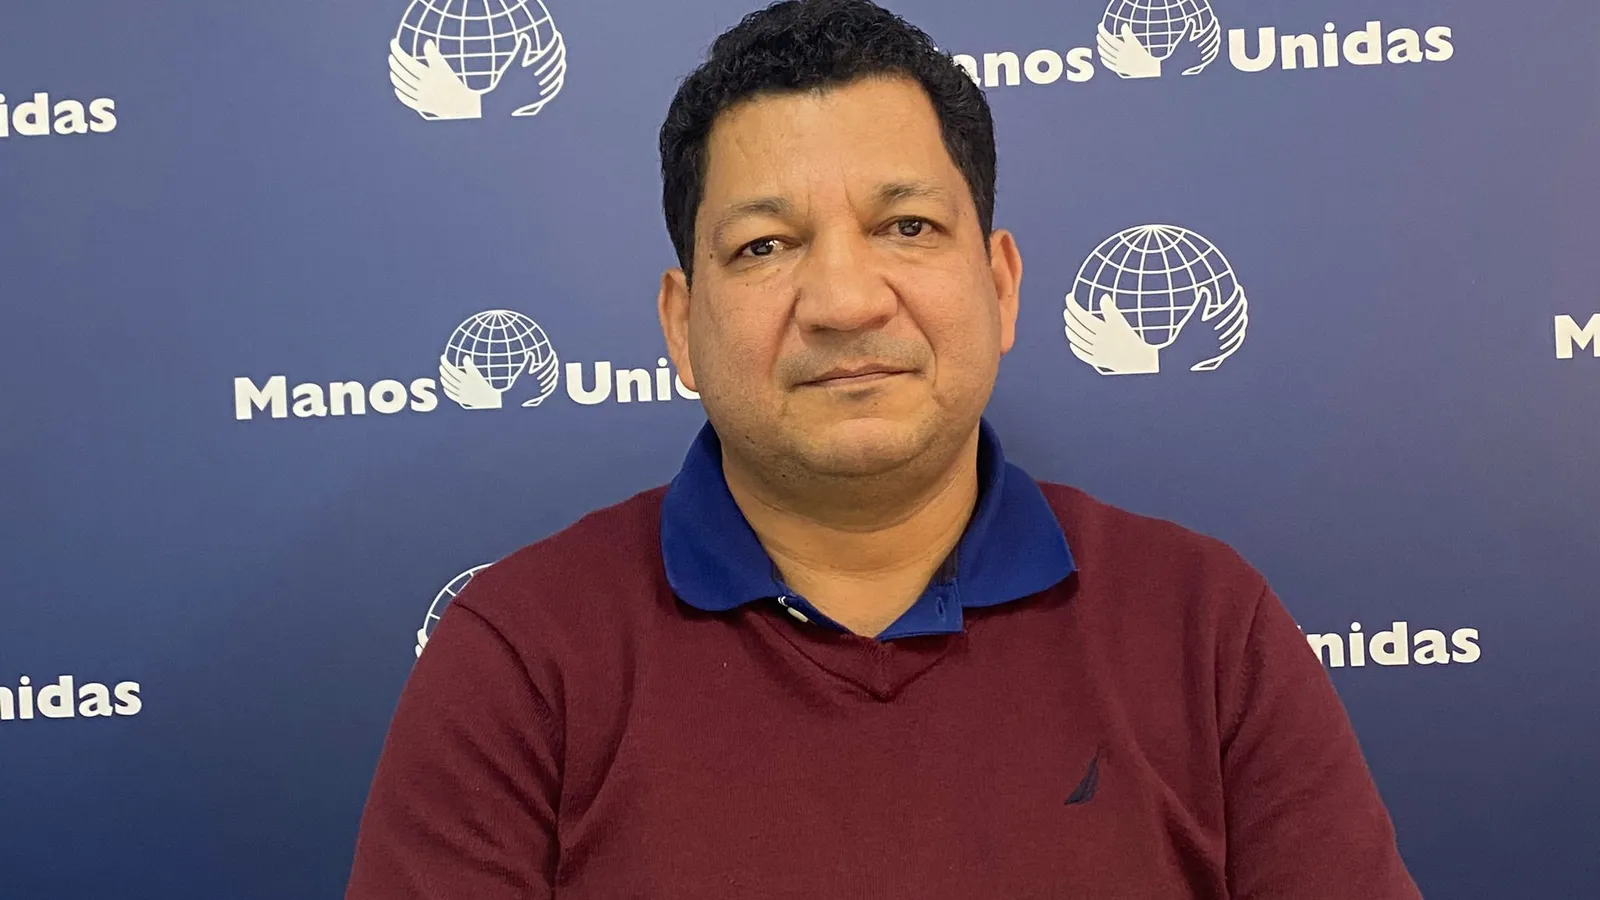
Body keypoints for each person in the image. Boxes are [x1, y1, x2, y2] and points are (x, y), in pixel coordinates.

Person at [345, 1, 1422, 896]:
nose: (846, 300)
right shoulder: (520, 661)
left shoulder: (1204, 627)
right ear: (680, 325)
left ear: (1000, 285)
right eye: (764, 245)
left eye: (907, 227)